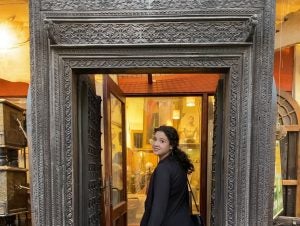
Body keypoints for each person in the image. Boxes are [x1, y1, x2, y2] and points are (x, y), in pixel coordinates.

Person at [140, 125, 195, 226]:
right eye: (155, 139)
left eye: (162, 141)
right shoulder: (178, 164)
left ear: (171, 145)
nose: (156, 144)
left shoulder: (163, 169)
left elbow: (159, 207)